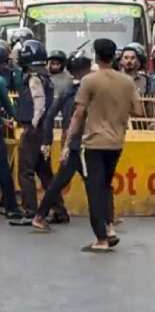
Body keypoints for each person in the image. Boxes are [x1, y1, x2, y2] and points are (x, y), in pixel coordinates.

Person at [64, 39, 143, 252]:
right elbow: (139, 111)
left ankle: (101, 238)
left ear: (96, 56)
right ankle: (109, 228)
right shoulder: (127, 82)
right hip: (117, 142)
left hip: (93, 142)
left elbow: (78, 114)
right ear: (115, 56)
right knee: (106, 186)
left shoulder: (89, 81)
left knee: (94, 190)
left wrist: (68, 141)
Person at [31, 56, 94, 232]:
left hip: (72, 140)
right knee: (95, 181)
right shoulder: (87, 90)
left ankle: (40, 215)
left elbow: (50, 115)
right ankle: (106, 219)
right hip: (83, 141)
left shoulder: (69, 90)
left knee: (61, 181)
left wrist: (48, 140)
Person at [10, 40, 67, 226]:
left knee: (25, 171)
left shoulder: (34, 77)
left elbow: (39, 102)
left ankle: (30, 211)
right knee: (44, 172)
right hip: (45, 130)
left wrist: (33, 123)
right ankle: (59, 209)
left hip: (34, 129)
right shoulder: (46, 76)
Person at [0, 46, 21, 221]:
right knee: (3, 168)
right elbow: (9, 106)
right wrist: (18, 118)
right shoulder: (0, 81)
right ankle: (11, 206)